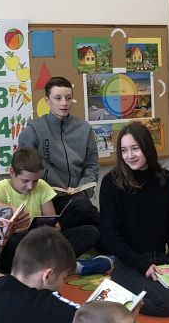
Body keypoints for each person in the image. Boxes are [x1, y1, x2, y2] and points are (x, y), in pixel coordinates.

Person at [98, 123, 169, 316]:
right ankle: (117, 293)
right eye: (124, 150)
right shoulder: (111, 182)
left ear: (147, 147)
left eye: (135, 148)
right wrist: (141, 264)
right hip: (130, 263)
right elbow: (110, 235)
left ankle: (149, 287)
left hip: (160, 260)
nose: (130, 155)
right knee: (167, 304)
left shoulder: (164, 178)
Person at [0, 146, 110, 275]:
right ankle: (66, 266)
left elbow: (55, 227)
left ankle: (50, 267)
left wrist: (44, 229)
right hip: (18, 247)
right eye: (25, 181)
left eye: (35, 181)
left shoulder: (42, 186)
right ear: (12, 172)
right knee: (14, 242)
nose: (30, 186)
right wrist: (23, 230)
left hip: (41, 242)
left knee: (90, 232)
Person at [16, 76, 106, 238]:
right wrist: (45, 189)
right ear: (47, 100)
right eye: (58, 98)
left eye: (68, 98)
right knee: (89, 216)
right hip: (46, 199)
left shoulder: (84, 128)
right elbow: (25, 166)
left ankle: (59, 240)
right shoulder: (34, 130)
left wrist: (84, 189)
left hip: (76, 197)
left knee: (90, 221)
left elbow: (92, 165)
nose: (64, 103)